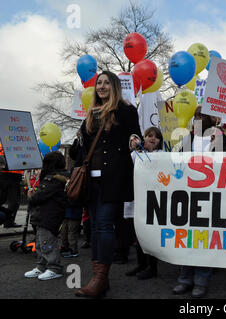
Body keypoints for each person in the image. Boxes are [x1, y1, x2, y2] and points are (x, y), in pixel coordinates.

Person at [74, 71, 143, 298]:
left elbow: (135, 134)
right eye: (99, 83)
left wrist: (134, 140)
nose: (101, 87)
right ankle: (98, 278)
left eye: (106, 83)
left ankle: (100, 279)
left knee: (104, 225)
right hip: (90, 180)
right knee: (94, 227)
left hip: (113, 178)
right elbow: (83, 149)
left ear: (114, 87)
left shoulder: (126, 110)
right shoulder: (91, 113)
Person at [172, 106, 223, 299]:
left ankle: (201, 281)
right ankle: (185, 279)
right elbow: (174, 161)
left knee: (204, 240)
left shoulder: (221, 138)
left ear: (212, 118)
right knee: (188, 238)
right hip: (188, 195)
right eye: (196, 115)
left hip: (211, 196)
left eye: (202, 115)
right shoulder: (188, 139)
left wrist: (220, 143)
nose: (199, 118)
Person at [24, 152, 69, 280]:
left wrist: (32, 196)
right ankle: (41, 266)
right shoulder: (58, 177)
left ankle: (54, 268)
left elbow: (41, 196)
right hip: (46, 215)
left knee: (47, 242)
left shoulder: (54, 178)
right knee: (39, 242)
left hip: (49, 215)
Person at [125, 127, 163, 280]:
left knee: (150, 235)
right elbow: (128, 162)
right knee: (138, 235)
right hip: (137, 199)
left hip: (154, 200)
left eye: (155, 136)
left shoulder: (161, 155)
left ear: (160, 141)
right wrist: (136, 148)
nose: (151, 138)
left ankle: (152, 268)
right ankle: (141, 264)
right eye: (148, 136)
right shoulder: (137, 155)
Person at [0, 143, 23, 228]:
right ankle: (9, 221)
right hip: (13, 175)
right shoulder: (17, 144)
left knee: (2, 198)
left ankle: (7, 220)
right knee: (14, 201)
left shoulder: (2, 144)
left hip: (3, 175)